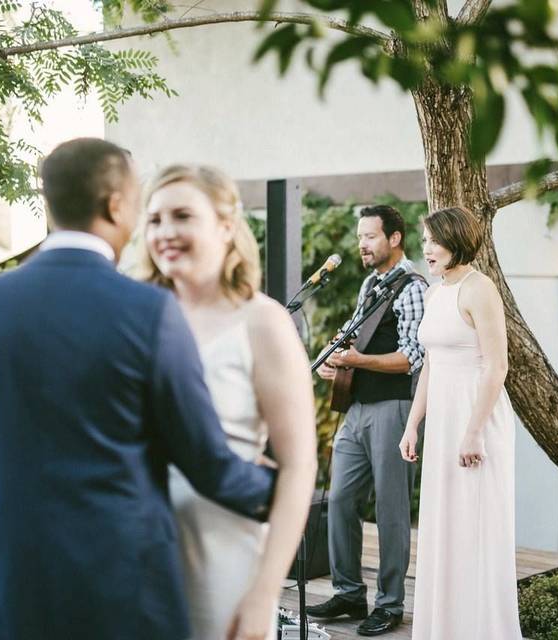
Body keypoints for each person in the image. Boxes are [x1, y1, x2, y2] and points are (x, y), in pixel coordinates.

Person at [0, 139, 277, 640]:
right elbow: (207, 465)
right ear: (115, 204)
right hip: (117, 580)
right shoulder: (149, 312)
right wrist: (282, 488)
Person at [137, 164, 317, 640]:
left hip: (222, 556)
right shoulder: (137, 317)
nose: (166, 232)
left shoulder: (263, 323)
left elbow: (299, 467)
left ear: (224, 224)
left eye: (181, 216)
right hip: (132, 555)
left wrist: (264, 594)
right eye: (154, 220)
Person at [399, 206, 522, 640]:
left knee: (476, 526)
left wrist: (473, 431)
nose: (426, 249)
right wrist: (413, 424)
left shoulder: (480, 289)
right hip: (444, 421)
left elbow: (497, 366)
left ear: (457, 241)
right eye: (425, 240)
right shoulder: (434, 294)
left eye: (434, 240)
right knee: (445, 526)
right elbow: (431, 366)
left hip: (477, 419)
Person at [308, 205, 427, 637]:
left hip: (393, 407)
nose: (362, 244)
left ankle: (390, 604)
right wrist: (331, 360)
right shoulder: (370, 284)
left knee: (392, 509)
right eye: (360, 236)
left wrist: (358, 360)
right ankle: (349, 593)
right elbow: (351, 331)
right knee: (339, 499)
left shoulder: (412, 286)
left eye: (371, 236)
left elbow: (413, 356)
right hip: (356, 408)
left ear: (394, 238)